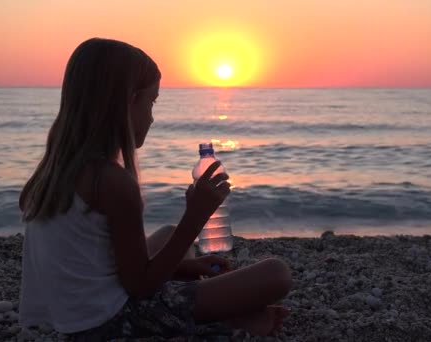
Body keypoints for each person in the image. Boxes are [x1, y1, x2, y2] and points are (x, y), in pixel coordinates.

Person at [18, 38, 292, 340]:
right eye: (151, 102)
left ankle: (214, 304)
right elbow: (141, 287)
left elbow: (100, 263)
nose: (151, 116)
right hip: (110, 325)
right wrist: (195, 217)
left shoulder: (51, 172)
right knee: (276, 274)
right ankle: (230, 322)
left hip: (72, 316)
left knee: (165, 235)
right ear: (128, 102)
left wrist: (184, 268)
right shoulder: (111, 182)